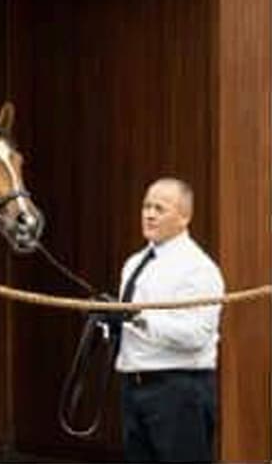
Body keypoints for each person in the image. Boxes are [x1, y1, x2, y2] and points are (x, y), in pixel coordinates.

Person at [115, 177, 224, 462]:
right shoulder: (133, 263)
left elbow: (198, 334)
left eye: (159, 208)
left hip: (178, 390)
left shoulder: (199, 268)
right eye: (146, 206)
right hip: (134, 386)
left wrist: (141, 318)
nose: (149, 214)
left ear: (184, 217)